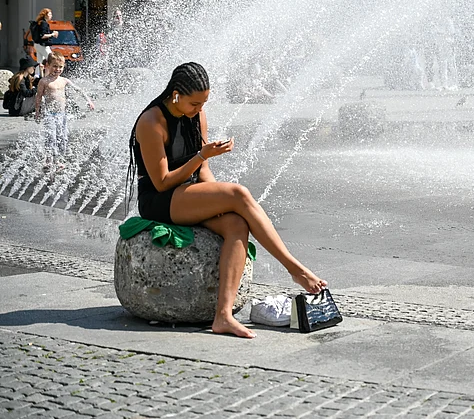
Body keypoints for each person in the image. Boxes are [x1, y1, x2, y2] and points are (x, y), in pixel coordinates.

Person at [126, 62, 327, 339]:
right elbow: (161, 181)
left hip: (188, 194)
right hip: (160, 200)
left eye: (204, 102)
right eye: (195, 103)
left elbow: (204, 173)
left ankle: (223, 316)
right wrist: (201, 158)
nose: (199, 108)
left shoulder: (197, 115)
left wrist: (217, 199)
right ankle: (295, 269)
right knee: (238, 193)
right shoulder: (151, 122)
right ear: (176, 95)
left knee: (235, 223)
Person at [35, 53, 95, 162]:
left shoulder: (64, 80)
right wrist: (37, 112)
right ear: (48, 65)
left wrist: (89, 101)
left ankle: (60, 159)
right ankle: (48, 159)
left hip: (62, 115)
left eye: (60, 67)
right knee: (51, 137)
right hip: (49, 115)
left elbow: (79, 90)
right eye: (55, 66)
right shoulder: (44, 81)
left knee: (62, 138)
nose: (57, 69)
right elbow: (38, 97)